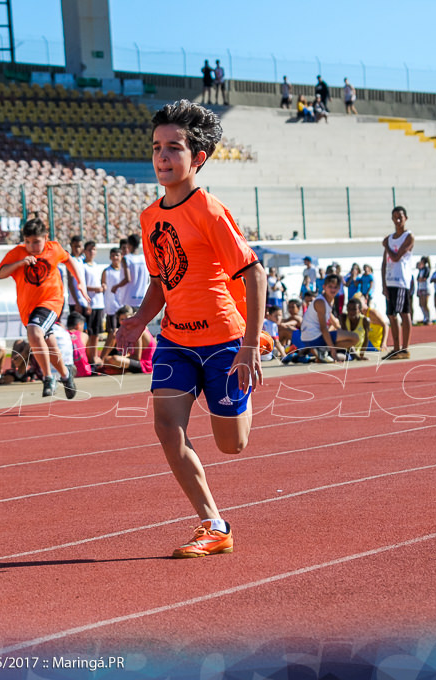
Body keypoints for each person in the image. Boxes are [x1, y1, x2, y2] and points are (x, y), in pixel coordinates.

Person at [115, 100, 268, 559]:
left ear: (197, 157)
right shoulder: (149, 218)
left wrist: (248, 347)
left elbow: (255, 275)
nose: (163, 157)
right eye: (157, 147)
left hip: (224, 341)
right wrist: (141, 319)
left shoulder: (210, 210)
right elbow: (163, 281)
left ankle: (241, 398)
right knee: (167, 429)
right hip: (176, 342)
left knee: (231, 445)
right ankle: (213, 523)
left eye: (174, 148)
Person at [0, 218, 85, 399]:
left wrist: (80, 282)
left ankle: (48, 377)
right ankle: (67, 375)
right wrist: (20, 264)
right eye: (28, 241)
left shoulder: (54, 249)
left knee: (34, 332)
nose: (32, 246)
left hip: (51, 302)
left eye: (36, 241)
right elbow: (0, 273)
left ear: (45, 237)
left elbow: (69, 260)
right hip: (28, 308)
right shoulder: (18, 253)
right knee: (48, 343)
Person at [291, 273, 357, 363]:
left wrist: (354, 352)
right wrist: (333, 350)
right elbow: (323, 328)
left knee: (348, 339)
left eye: (336, 287)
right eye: (330, 286)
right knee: (355, 337)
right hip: (313, 337)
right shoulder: (320, 302)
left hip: (308, 338)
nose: (333, 289)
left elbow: (334, 323)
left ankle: (320, 353)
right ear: (324, 287)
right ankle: (325, 352)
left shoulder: (330, 300)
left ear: (339, 288)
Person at [381, 206, 415, 360]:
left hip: (401, 280)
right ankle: (395, 348)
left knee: (404, 313)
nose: (398, 219)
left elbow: (396, 257)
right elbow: (385, 262)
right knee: (391, 315)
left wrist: (386, 245)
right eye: (395, 217)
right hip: (390, 281)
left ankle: (405, 348)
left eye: (401, 217)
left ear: (405, 218)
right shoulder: (389, 238)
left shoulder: (408, 236)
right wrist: (384, 284)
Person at [80, 240, 105, 363]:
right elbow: (82, 285)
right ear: (85, 251)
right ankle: (88, 357)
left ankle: (94, 356)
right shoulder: (83, 266)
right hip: (89, 303)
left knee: (96, 333)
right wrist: (96, 290)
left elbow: (99, 283)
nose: (91, 252)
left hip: (99, 303)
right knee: (88, 333)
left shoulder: (97, 266)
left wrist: (103, 286)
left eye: (93, 249)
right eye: (89, 249)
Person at [120, 234, 149, 309]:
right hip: (142, 298)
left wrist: (115, 287)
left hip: (128, 299)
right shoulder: (144, 258)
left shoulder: (126, 259)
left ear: (129, 245)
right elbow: (148, 279)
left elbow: (127, 279)